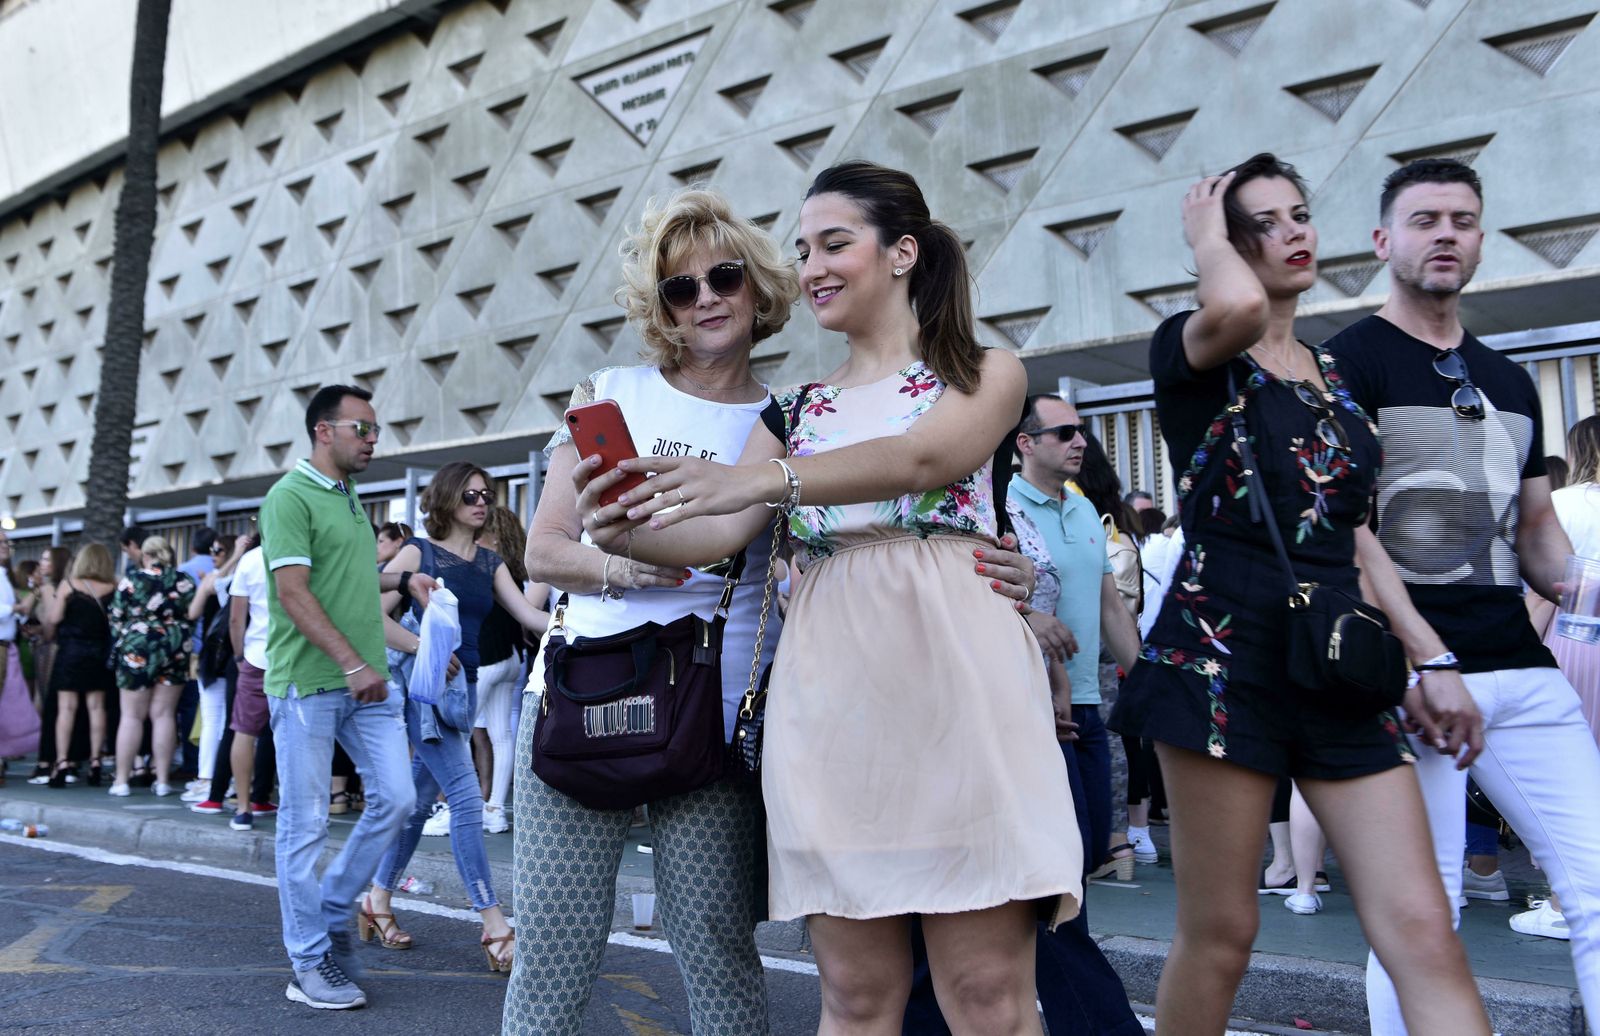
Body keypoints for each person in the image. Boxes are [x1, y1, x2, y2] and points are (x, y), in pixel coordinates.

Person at [579, 163, 1077, 1035]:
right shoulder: (798, 408)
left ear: (902, 252)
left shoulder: (985, 372)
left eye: (834, 243)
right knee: (853, 1000)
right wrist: (616, 528)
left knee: (989, 998)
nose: (811, 267)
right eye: (804, 249)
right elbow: (708, 541)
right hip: (831, 707)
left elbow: (925, 460)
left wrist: (763, 479)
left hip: (964, 691)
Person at [1108, 154, 1491, 1035]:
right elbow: (1238, 309)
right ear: (1226, 247)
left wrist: (1428, 656)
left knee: (1423, 926)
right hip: (1218, 662)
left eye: (1300, 214)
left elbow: (1354, 534)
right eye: (1265, 223)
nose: (1295, 233)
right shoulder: (1195, 348)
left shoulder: (1336, 376)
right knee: (1223, 933)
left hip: (1337, 666)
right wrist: (1206, 233)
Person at [1327, 160, 1600, 1030]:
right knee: (1421, 917)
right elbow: (1341, 531)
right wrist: (1416, 656)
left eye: (1464, 220)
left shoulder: (1511, 380)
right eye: (1425, 219)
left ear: (1482, 238)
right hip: (1408, 678)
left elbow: (1537, 538)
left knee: (1597, 889)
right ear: (1384, 241)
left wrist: (1585, 585)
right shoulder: (1344, 366)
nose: (1446, 233)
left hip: (1523, 669)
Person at [259, 384, 432, 1011]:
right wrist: (354, 662)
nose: (373, 440)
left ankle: (333, 910)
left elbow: (351, 587)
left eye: (375, 429)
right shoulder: (288, 497)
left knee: (399, 797)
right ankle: (309, 963)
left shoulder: (350, 498)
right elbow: (295, 593)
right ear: (323, 431)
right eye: (361, 428)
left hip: (367, 680)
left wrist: (403, 583)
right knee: (302, 826)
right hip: (310, 684)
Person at [362, 462, 547, 971]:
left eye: (486, 494)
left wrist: (587, 626)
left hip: (462, 693)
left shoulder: (490, 562)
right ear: (446, 499)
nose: (481, 502)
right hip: (428, 695)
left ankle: (377, 899)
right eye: (469, 495)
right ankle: (494, 924)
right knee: (467, 799)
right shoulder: (418, 551)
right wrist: (424, 645)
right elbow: (368, 613)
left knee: (421, 801)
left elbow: (530, 616)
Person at [470, 504, 545, 833]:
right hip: (512, 660)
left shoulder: (484, 566)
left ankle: (459, 807)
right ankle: (495, 809)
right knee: (501, 736)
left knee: (458, 732)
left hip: (486, 660)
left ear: (494, 535)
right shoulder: (514, 571)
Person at [106, 536, 196, 797]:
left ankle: (122, 780)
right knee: (165, 715)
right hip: (175, 646)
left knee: (132, 716)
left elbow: (116, 617)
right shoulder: (184, 580)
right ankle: (164, 780)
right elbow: (192, 614)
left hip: (138, 646)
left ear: (145, 554)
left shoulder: (132, 579)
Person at [40, 544, 117, 788]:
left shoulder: (69, 585)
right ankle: (95, 761)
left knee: (66, 710)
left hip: (71, 654)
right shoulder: (113, 587)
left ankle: (62, 762)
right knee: (96, 708)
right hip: (99, 654)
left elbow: (54, 618)